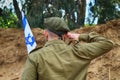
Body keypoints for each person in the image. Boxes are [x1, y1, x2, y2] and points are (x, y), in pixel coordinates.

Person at [21, 17, 114, 80]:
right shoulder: (79, 51)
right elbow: (107, 43)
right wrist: (79, 36)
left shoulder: (35, 57)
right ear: (66, 35)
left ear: (45, 33)